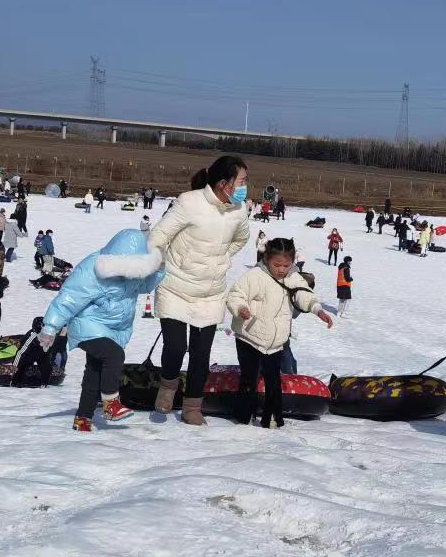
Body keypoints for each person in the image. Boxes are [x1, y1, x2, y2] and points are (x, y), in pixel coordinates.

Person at [145, 155, 250, 425]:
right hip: (175, 287)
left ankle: (193, 406)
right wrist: (162, 263)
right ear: (223, 183)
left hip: (210, 293)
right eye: (242, 181)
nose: (244, 187)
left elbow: (242, 238)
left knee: (201, 355)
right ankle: (167, 388)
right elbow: (158, 236)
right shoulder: (189, 202)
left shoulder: (239, 210)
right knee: (176, 347)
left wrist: (223, 258)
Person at [39, 229, 164, 431]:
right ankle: (110, 403)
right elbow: (69, 298)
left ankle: (83, 418)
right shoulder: (92, 269)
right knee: (114, 355)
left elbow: (142, 286)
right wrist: (51, 327)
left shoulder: (134, 268)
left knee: (95, 371)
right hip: (87, 323)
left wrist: (158, 269)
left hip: (114, 328)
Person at [227, 238, 333, 428]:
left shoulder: (293, 277)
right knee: (249, 378)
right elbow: (236, 294)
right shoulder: (255, 275)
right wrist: (241, 307)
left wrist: (318, 310)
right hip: (248, 336)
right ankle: (244, 416)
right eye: (277, 265)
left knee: (273, 380)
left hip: (275, 341)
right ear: (267, 259)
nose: (282, 269)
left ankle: (273, 418)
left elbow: (304, 294)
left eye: (286, 265)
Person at [10, 317, 52, 388]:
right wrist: (15, 364)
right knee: (22, 367)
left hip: (42, 354)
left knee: (47, 368)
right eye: (43, 325)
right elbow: (21, 351)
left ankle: (44, 384)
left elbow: (50, 347)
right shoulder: (32, 336)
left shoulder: (49, 334)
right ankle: (14, 383)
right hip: (29, 354)